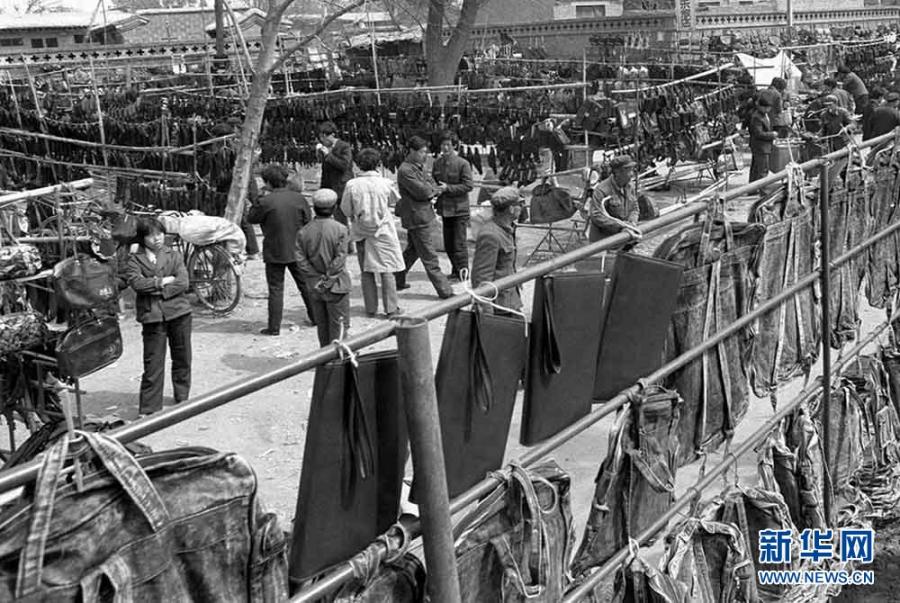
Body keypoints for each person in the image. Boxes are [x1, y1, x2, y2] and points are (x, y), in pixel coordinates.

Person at [125, 218, 192, 416]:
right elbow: (137, 284)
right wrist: (162, 281)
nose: (157, 239)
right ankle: (150, 408)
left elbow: (183, 282)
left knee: (182, 357)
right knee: (153, 362)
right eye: (151, 235)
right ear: (142, 238)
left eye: (160, 234)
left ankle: (182, 397)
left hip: (179, 312)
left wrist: (158, 289)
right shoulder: (135, 259)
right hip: (152, 316)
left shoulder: (174, 255)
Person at [248, 164, 314, 336]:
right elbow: (308, 221)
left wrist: (258, 198)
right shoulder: (299, 198)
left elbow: (251, 218)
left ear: (268, 182)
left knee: (276, 289)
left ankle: (274, 327)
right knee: (305, 285)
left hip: (275, 250)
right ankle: (315, 317)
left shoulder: (265, 201)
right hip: (298, 249)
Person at [340, 147, 405, 317]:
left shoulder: (351, 185)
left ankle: (370, 308)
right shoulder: (386, 183)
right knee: (387, 269)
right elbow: (394, 201)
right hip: (383, 231)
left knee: (366, 270)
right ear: (378, 163)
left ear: (358, 164)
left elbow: (345, 209)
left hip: (361, 232)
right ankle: (391, 309)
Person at [394, 136, 454, 299]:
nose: (425, 156)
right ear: (411, 151)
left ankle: (396, 279)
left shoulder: (418, 167)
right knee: (430, 256)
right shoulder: (406, 170)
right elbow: (424, 191)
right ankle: (445, 291)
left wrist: (431, 189)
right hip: (416, 217)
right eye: (421, 152)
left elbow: (431, 184)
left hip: (421, 215)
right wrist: (432, 190)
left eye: (425, 152)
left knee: (412, 251)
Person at [296, 190, 352, 347]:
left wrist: (316, 279)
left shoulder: (304, 231)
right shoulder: (340, 229)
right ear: (335, 208)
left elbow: (300, 260)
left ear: (314, 208)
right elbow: (340, 259)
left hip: (315, 287)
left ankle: (325, 358)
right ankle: (338, 359)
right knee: (339, 326)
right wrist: (328, 280)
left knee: (322, 326)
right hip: (337, 286)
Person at [471, 186, 523, 314]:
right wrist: (486, 312)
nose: (521, 208)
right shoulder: (491, 235)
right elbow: (481, 278)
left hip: (509, 300)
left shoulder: (506, 230)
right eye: (519, 205)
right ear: (511, 209)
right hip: (499, 306)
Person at [432, 130, 474, 282]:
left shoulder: (463, 163)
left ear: (455, 146)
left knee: (459, 244)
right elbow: (434, 181)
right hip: (445, 209)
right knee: (448, 244)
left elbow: (468, 185)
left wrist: (448, 188)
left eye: (448, 145)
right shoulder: (437, 163)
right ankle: (455, 271)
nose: (445, 148)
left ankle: (463, 273)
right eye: (443, 145)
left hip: (459, 210)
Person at [587, 154, 655, 243]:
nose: (632, 174)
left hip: (624, 237)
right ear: (618, 173)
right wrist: (621, 226)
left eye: (632, 170)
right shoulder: (602, 190)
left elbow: (635, 208)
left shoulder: (630, 186)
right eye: (629, 171)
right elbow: (597, 216)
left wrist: (632, 222)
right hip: (604, 241)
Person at [316, 121, 354, 225]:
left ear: (329, 135)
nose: (322, 140)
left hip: (342, 187)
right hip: (329, 187)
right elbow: (325, 170)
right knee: (336, 218)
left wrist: (328, 155)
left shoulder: (344, 146)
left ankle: (347, 234)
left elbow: (344, 165)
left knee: (345, 216)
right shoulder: (325, 148)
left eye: (323, 138)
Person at [748, 96, 777, 183]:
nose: (768, 109)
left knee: (756, 169)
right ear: (760, 106)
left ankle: (752, 188)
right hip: (760, 147)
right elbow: (758, 133)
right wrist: (772, 135)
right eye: (766, 107)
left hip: (762, 146)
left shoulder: (765, 115)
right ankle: (762, 189)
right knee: (763, 170)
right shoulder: (757, 117)